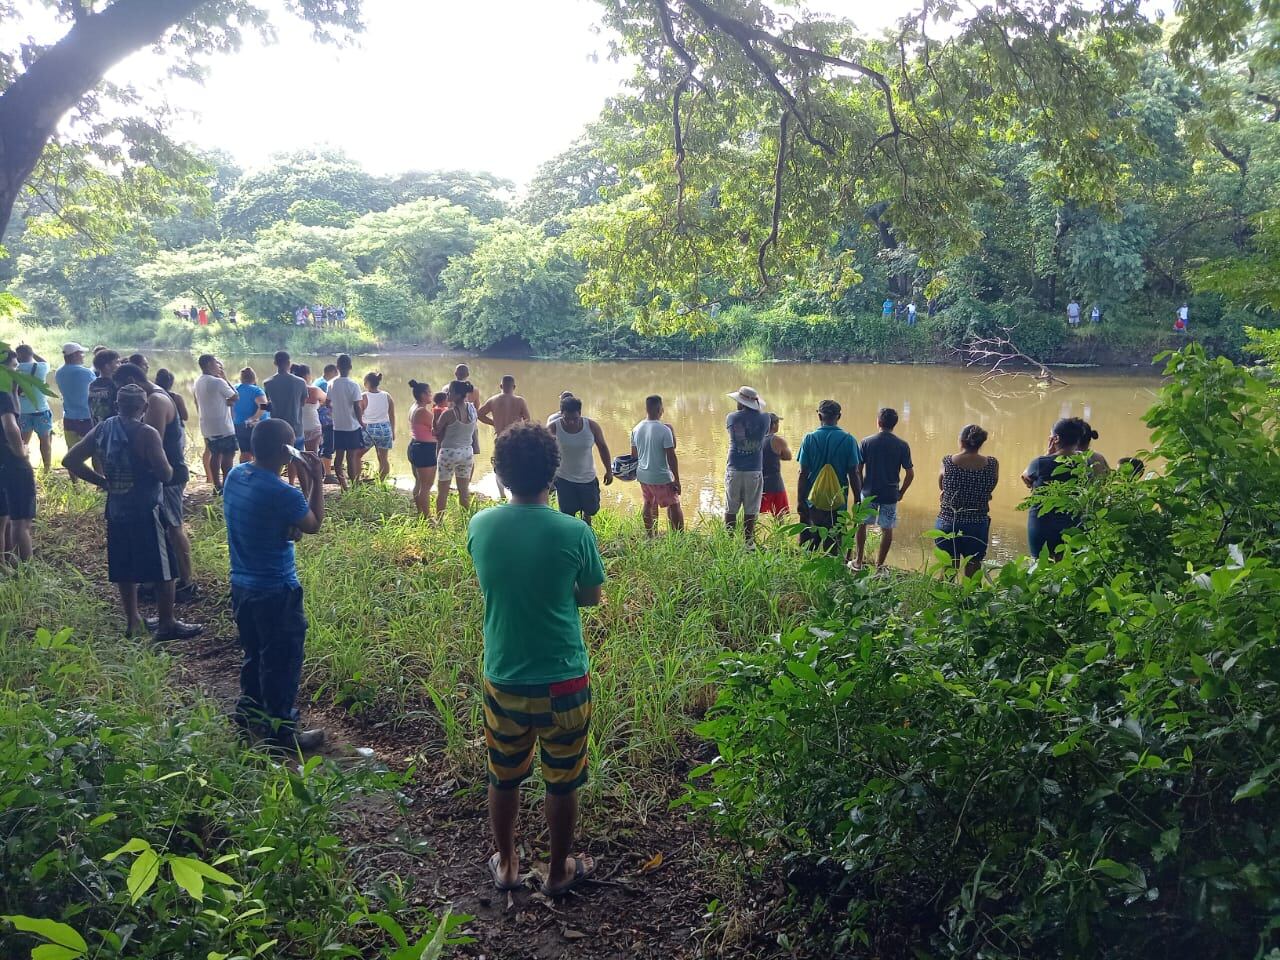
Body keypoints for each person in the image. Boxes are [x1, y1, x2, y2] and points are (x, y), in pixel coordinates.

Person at [467, 420, 604, 897]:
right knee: (562, 779)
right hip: (565, 679)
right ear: (554, 474)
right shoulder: (574, 532)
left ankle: (506, 864)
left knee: (503, 774)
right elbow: (591, 597)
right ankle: (557, 872)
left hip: (503, 676)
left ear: (500, 474)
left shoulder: (480, 525)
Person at [63, 384, 202, 640]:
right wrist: (172, 469)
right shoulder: (147, 433)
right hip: (147, 509)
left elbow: (70, 460)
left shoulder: (103, 428)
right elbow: (164, 473)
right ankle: (167, 623)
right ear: (145, 407)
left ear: (117, 405)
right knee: (165, 568)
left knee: (124, 566)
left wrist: (103, 482)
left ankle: (133, 620)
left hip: (116, 508)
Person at [223, 418, 326, 752]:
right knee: (282, 660)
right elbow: (312, 525)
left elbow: (282, 524)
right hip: (276, 589)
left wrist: (289, 525)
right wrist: (317, 480)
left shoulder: (236, 474)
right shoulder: (281, 491)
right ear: (286, 451)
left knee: (255, 653)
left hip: (241, 584)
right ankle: (281, 732)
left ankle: (249, 712)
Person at [114, 362, 199, 604]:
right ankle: (155, 579)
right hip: (156, 473)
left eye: (120, 387)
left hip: (169, 474)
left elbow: (151, 441)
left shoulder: (157, 401)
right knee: (159, 528)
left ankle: (187, 582)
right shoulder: (151, 398)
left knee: (174, 526)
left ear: (132, 379)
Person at [796, 400, 862, 555]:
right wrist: (858, 500)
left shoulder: (809, 439)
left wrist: (800, 501)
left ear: (819, 416)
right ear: (839, 416)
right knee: (833, 544)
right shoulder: (849, 440)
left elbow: (803, 474)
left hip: (812, 501)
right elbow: (854, 474)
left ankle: (808, 573)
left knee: (809, 544)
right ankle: (832, 572)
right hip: (837, 502)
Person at [936, 425, 999, 578]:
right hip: (977, 524)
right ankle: (970, 601)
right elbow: (990, 488)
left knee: (948, 571)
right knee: (973, 572)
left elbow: (941, 487)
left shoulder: (947, 462)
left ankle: (946, 599)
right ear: (980, 443)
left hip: (948, 521)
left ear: (961, 441)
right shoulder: (992, 464)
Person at [1021, 417, 1089, 560]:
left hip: (1042, 525)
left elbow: (1025, 477)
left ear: (1056, 439)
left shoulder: (1041, 463)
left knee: (1040, 569)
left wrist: (1048, 455)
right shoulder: (1085, 464)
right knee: (1067, 570)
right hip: (1073, 525)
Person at [856, 408, 915, 571]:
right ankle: (879, 565)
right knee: (887, 528)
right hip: (890, 494)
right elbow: (910, 473)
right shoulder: (902, 445)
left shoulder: (867, 442)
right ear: (894, 424)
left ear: (879, 422)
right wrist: (901, 492)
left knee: (862, 525)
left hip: (868, 492)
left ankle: (858, 561)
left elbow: (857, 469)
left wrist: (860, 487)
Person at [552, 395, 613, 527]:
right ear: (561, 414)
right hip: (564, 478)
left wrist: (609, 470)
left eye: (575, 418)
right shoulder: (553, 428)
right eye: (567, 419)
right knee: (567, 515)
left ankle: (586, 525)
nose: (571, 422)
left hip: (587, 478)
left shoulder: (591, 426)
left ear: (580, 413)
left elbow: (602, 447)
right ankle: (571, 538)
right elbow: (544, 451)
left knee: (591, 509)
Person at [0, 350, 36, 564]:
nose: (17, 371)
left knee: (4, 516)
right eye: (13, 367)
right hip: (12, 462)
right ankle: (28, 570)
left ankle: (6, 564)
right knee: (21, 520)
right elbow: (10, 425)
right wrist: (21, 451)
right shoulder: (4, 393)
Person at [723, 385, 770, 545]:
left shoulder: (732, 418)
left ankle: (728, 542)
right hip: (754, 470)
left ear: (741, 403)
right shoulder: (766, 418)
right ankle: (748, 543)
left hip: (734, 467)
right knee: (751, 510)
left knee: (731, 508)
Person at [630, 394, 683, 535]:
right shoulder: (665, 429)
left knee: (648, 503)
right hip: (661, 476)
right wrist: (677, 479)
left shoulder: (636, 429)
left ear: (646, 409)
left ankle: (650, 536)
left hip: (643, 475)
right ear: (660, 409)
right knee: (674, 504)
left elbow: (634, 456)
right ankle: (679, 538)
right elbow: (671, 456)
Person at [477, 375, 531, 500]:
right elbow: (528, 420)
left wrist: (494, 423)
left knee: (499, 466)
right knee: (516, 465)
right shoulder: (520, 401)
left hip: (500, 437)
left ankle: (502, 495)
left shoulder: (493, 400)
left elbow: (479, 415)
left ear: (501, 386)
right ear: (514, 387)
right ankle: (515, 494)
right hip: (515, 437)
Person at [434, 379, 479, 518]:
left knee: (443, 491)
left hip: (449, 452)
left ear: (458, 395)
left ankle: (440, 521)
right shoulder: (472, 409)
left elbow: (436, 431)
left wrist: (434, 417)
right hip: (466, 453)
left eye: (450, 392)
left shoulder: (448, 413)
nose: (447, 394)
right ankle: (466, 521)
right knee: (464, 491)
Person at [193, 354, 238, 493]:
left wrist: (227, 401)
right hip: (223, 426)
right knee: (228, 454)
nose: (218, 366)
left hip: (207, 426)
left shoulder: (198, 381)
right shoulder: (218, 382)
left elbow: (218, 399)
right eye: (215, 363)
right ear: (207, 365)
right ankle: (226, 484)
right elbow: (235, 396)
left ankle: (216, 485)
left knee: (215, 454)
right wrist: (224, 378)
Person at [326, 354, 365, 489]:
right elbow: (356, 406)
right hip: (352, 426)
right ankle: (354, 486)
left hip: (338, 426)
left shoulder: (331, 384)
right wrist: (361, 421)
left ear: (337, 367)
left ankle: (343, 486)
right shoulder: (353, 385)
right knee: (351, 458)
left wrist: (336, 411)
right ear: (350, 367)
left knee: (338, 457)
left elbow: (327, 403)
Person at [54, 342, 95, 458]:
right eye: (81, 353)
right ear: (75, 355)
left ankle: (73, 476)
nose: (83, 356)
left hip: (69, 418)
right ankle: (98, 476)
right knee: (96, 452)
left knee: (71, 452)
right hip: (87, 417)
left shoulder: (59, 373)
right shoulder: (86, 372)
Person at [14, 345, 52, 471]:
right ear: (31, 354)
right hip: (40, 410)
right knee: (45, 440)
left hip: (22, 411)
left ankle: (23, 466)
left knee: (23, 441)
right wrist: (34, 353)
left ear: (18, 356)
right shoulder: (41, 367)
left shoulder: (14, 369)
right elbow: (45, 361)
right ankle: (47, 467)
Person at [263, 351, 308, 449]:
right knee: (298, 460)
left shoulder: (267, 383)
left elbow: (267, 404)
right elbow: (303, 403)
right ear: (289, 363)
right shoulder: (301, 382)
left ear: (275, 363)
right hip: (296, 428)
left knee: (277, 459)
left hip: (277, 429)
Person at [407, 380, 438, 517]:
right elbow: (438, 427)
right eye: (429, 392)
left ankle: (420, 513)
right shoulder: (422, 412)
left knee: (419, 483)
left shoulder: (414, 407)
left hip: (415, 446)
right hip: (425, 449)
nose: (431, 394)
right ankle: (427, 517)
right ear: (423, 395)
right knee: (426, 486)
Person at [360, 371, 395, 481]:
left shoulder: (364, 396)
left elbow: (358, 415)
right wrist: (393, 431)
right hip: (385, 429)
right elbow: (392, 415)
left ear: (367, 383)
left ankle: (355, 481)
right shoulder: (387, 395)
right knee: (383, 458)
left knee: (356, 456)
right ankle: (381, 482)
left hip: (369, 429)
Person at [233, 367, 269, 464]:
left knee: (244, 452)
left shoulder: (235, 388)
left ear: (241, 378)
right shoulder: (256, 390)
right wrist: (253, 418)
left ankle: (243, 474)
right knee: (257, 453)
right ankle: (255, 474)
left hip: (238, 425)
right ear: (254, 378)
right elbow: (264, 406)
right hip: (253, 426)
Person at [760, 412, 792, 517]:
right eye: (777, 423)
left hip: (758, 482)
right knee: (779, 514)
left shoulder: (757, 439)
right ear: (773, 425)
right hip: (775, 483)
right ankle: (779, 533)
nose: (778, 425)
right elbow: (788, 456)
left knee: (753, 514)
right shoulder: (778, 441)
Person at [314, 363, 339, 482]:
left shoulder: (318, 381)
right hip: (326, 420)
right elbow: (327, 401)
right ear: (332, 372)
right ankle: (328, 476)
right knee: (328, 445)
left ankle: (322, 471)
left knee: (323, 445)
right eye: (336, 373)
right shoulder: (324, 384)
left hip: (320, 419)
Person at [294, 364, 325, 457]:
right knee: (313, 455)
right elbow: (327, 400)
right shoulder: (314, 390)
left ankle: (298, 472)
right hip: (312, 426)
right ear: (306, 376)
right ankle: (315, 471)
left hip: (295, 426)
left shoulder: (291, 391)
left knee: (296, 457)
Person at [88, 349, 121, 427]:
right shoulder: (114, 384)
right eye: (117, 362)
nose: (120, 364)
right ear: (107, 366)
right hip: (112, 427)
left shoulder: (92, 385)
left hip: (97, 426)